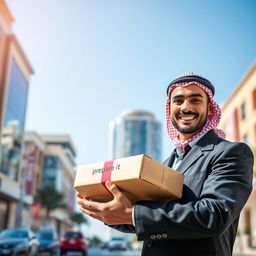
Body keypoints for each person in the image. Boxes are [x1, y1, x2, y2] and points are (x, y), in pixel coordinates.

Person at [77, 72, 254, 256]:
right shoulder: (164, 165)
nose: (186, 107)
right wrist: (106, 210)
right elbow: (148, 220)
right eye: (178, 101)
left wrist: (132, 214)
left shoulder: (230, 153)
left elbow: (215, 215)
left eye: (195, 100)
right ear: (169, 108)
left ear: (210, 109)